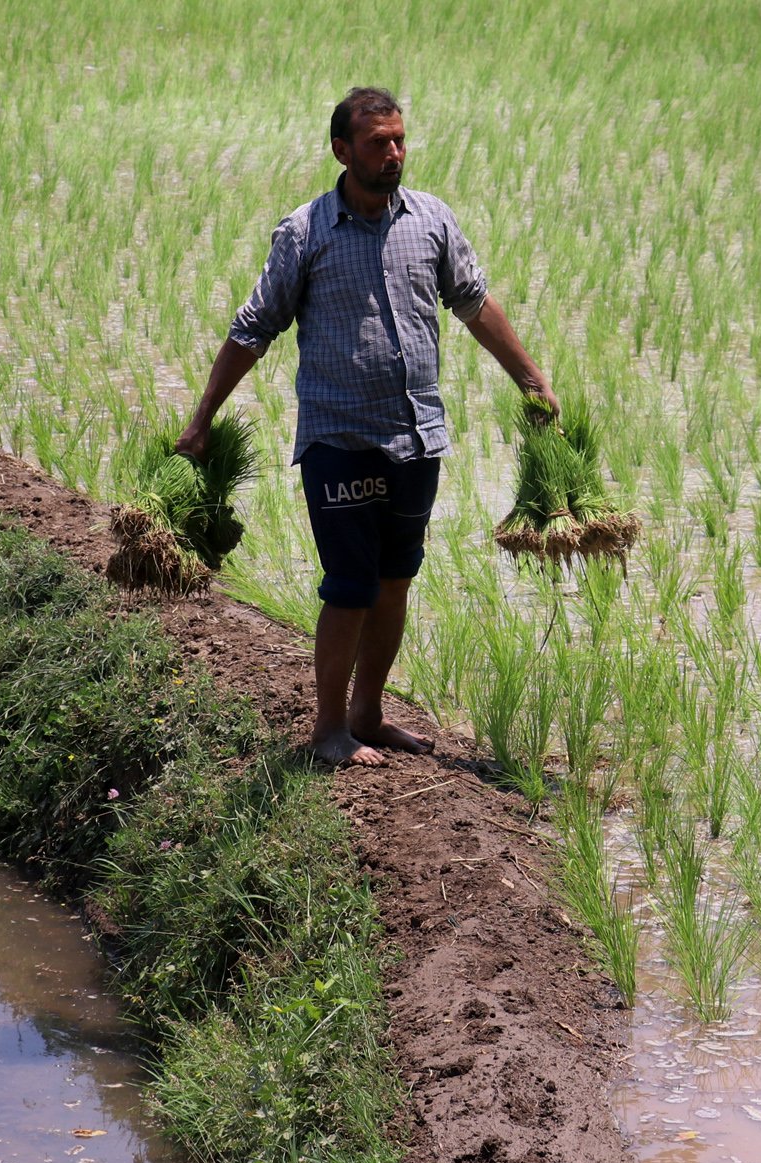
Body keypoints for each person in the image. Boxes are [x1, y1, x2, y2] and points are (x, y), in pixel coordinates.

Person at [177, 86, 557, 767]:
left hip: (416, 438)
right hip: (339, 441)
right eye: (378, 142)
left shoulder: (431, 220)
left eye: (400, 139)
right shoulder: (306, 232)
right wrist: (202, 418)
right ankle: (328, 731)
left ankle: (369, 714)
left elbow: (473, 303)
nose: (394, 153)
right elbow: (252, 329)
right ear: (341, 150)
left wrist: (531, 379)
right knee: (349, 586)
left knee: (394, 581)